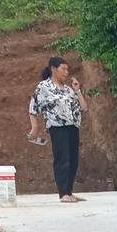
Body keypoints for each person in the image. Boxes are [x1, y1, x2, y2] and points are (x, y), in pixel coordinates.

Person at [28, 57, 88, 203]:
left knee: (73, 159)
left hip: (73, 126)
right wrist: (35, 127)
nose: (66, 72)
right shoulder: (44, 87)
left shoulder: (68, 89)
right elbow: (33, 108)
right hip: (57, 127)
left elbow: (84, 107)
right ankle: (63, 193)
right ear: (53, 69)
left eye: (67, 70)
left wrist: (77, 90)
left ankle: (69, 191)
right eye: (63, 69)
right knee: (63, 158)